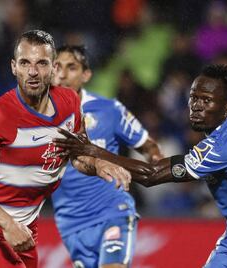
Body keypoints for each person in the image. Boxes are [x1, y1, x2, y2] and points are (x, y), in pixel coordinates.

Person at [55, 64, 227, 267]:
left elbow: (150, 174)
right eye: (194, 97)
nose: (196, 106)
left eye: (206, 101)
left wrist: (92, 150)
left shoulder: (222, 144)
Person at [0, 30, 131, 268]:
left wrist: (98, 163)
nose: (33, 72)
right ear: (14, 67)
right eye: (25, 63)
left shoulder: (69, 103)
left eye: (41, 63)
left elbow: (78, 155)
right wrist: (8, 224)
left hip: (24, 229)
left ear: (54, 68)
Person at [51, 45, 163, 268]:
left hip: (112, 211)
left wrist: (155, 157)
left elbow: (146, 144)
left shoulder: (109, 109)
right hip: (71, 224)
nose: (62, 75)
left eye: (71, 67)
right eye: (57, 67)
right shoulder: (38, 116)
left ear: (86, 74)